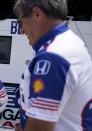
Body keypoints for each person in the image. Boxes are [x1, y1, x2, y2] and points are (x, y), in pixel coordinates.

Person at [13, 0, 92, 131]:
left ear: (36, 14)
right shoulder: (67, 41)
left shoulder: (53, 56)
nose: (21, 30)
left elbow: (40, 127)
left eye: (21, 21)